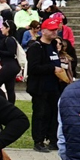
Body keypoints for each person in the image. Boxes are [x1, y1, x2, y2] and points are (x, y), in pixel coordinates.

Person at [26, 16, 63, 152]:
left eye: (56, 30)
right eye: (52, 30)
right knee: (40, 114)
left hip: (53, 86)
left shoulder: (53, 45)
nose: (55, 32)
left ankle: (53, 139)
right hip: (40, 87)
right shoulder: (36, 47)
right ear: (43, 31)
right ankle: (38, 141)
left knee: (53, 114)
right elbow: (33, 68)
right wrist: (52, 69)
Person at [0, 20, 21, 104]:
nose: (1, 29)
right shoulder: (10, 39)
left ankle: (4, 103)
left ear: (8, 29)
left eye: (3, 27)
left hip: (9, 66)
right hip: (12, 66)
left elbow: (11, 53)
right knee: (10, 88)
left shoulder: (9, 39)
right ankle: (10, 105)